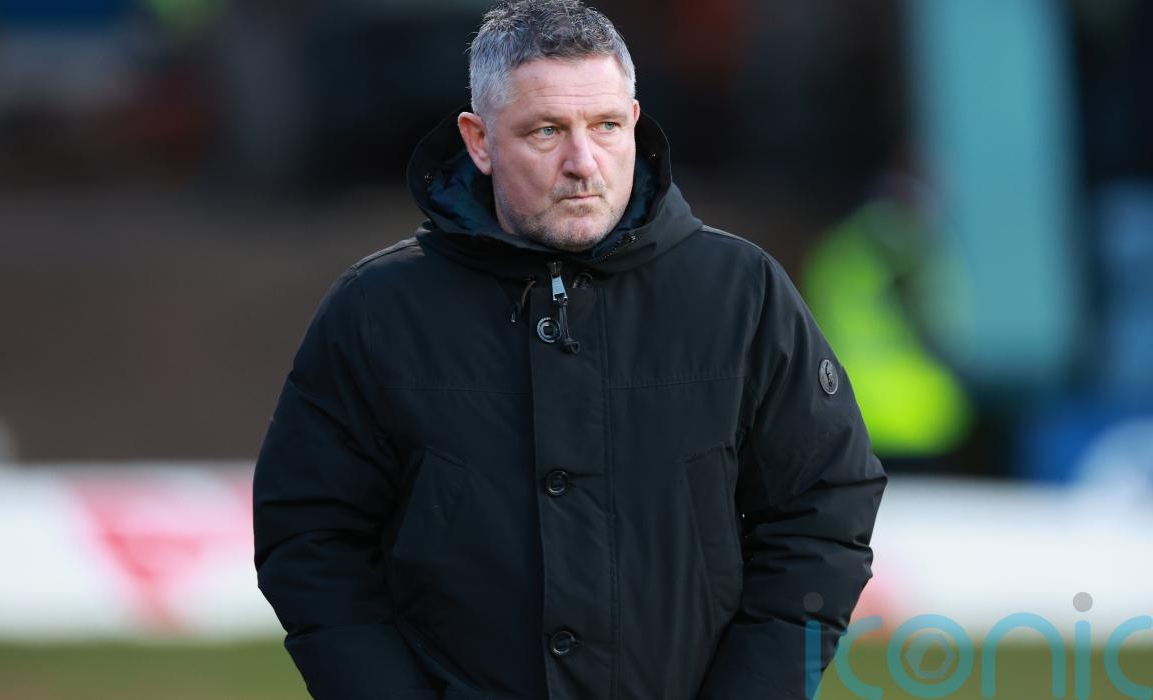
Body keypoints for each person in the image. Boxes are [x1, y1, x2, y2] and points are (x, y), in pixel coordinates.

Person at [252, 2, 886, 698]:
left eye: (606, 126)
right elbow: (310, 537)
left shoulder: (742, 293)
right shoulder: (376, 311)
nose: (583, 163)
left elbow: (823, 511)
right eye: (547, 130)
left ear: (635, 122)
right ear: (479, 140)